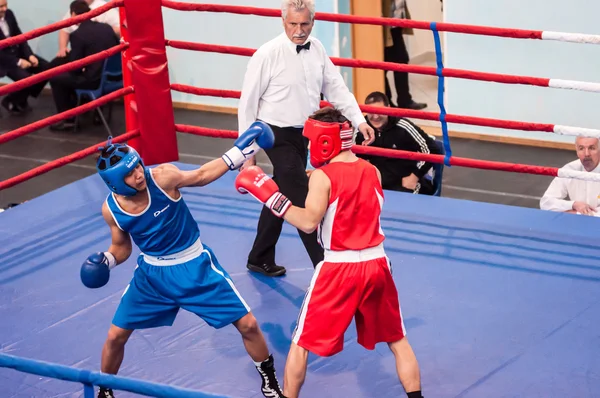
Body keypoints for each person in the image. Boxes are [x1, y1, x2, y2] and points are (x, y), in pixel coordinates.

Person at [80, 122, 285, 398]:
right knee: (116, 336)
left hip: (194, 266)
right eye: (130, 174)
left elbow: (201, 175)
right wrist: (107, 260)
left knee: (248, 324)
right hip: (152, 275)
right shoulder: (111, 209)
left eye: (138, 166)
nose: (139, 174)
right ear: (115, 182)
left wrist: (238, 153)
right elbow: (121, 247)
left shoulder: (162, 177)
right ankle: (105, 390)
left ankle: (269, 381)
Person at [235, 107, 424, 398]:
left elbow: (309, 223)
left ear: (325, 141)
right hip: (377, 264)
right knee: (398, 340)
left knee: (300, 343)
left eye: (312, 140)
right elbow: (349, 192)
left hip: (339, 268)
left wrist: (272, 197)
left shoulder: (323, 178)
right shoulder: (371, 170)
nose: (309, 147)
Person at [237, 0, 375, 277]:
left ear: (313, 23)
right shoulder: (267, 54)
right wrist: (246, 153)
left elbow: (336, 87)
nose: (299, 31)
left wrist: (359, 120)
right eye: (293, 24)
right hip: (274, 133)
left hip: (306, 134)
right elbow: (247, 104)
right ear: (283, 22)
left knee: (284, 189)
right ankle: (325, 265)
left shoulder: (318, 50)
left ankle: (259, 255)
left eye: (304, 24)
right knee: (302, 199)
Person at [48, 0, 119, 131]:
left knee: (56, 78)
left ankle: (68, 119)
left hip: (94, 80)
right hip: (113, 78)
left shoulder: (78, 35)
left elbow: (75, 68)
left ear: (73, 14)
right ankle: (82, 109)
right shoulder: (107, 28)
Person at [357, 91, 441, 194]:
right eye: (371, 112)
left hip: (404, 184)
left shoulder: (403, 127)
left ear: (388, 108)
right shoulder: (362, 129)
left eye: (379, 111)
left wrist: (414, 177)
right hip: (377, 185)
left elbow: (433, 150)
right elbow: (355, 157)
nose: (375, 116)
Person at [0, 0, 49, 114]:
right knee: (26, 80)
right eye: (1, 6)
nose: (5, 9)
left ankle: (20, 97)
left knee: (47, 69)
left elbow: (20, 36)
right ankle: (12, 100)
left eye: (5, 5)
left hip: (17, 53)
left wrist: (29, 55)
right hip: (4, 60)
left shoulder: (9, 14)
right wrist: (18, 62)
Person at [382, 0, 426, 110]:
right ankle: (387, 102)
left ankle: (404, 100)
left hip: (396, 23)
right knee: (382, 66)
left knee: (402, 61)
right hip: (384, 25)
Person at [540, 136, 600, 215]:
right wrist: (573, 205)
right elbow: (545, 203)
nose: (586, 154)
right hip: (577, 223)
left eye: (592, 148)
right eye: (581, 148)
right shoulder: (569, 170)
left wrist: (575, 213)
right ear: (577, 151)